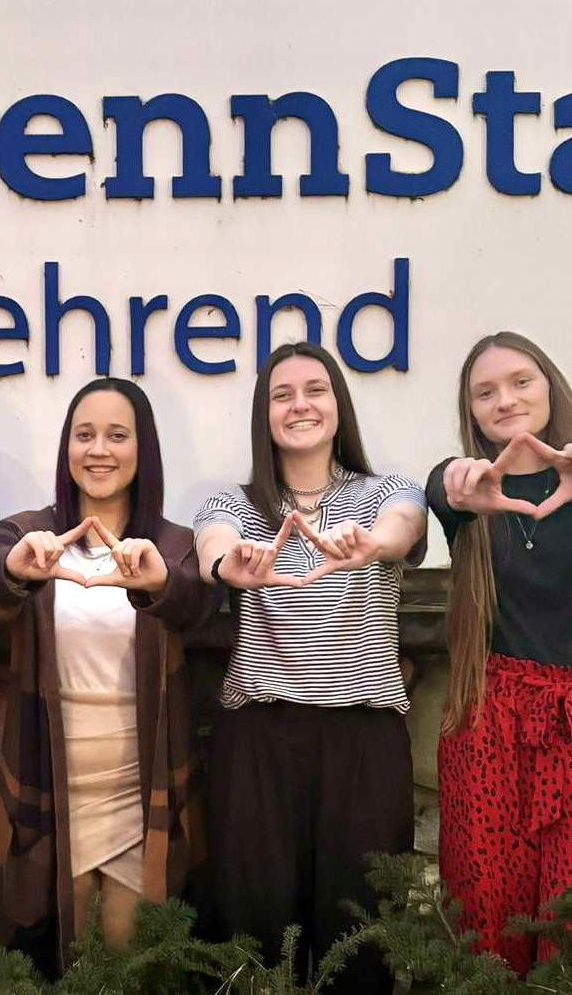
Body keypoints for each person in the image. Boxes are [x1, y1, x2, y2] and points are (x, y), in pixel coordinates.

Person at [192, 341, 427, 994]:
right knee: (252, 933)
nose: (301, 404)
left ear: (339, 404)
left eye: (315, 389)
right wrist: (227, 563)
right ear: (263, 414)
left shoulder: (388, 491)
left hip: (364, 738)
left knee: (360, 935)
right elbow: (214, 544)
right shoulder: (232, 504)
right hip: (260, 738)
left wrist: (373, 543)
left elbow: (403, 526)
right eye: (282, 393)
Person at [0, 378, 212, 964]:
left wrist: (157, 585)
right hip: (53, 777)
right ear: (66, 448)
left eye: (117, 435)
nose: (98, 449)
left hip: (141, 780)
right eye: (84, 435)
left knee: (128, 959)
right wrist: (17, 568)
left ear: (143, 450)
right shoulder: (31, 531)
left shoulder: (174, 543)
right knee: (68, 953)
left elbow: (196, 608)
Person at [426, 331, 572, 986]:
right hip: (488, 722)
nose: (506, 399)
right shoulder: (466, 492)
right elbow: (445, 490)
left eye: (521, 381)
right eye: (485, 391)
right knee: (487, 920)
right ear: (471, 412)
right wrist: (457, 486)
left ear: (551, 387)